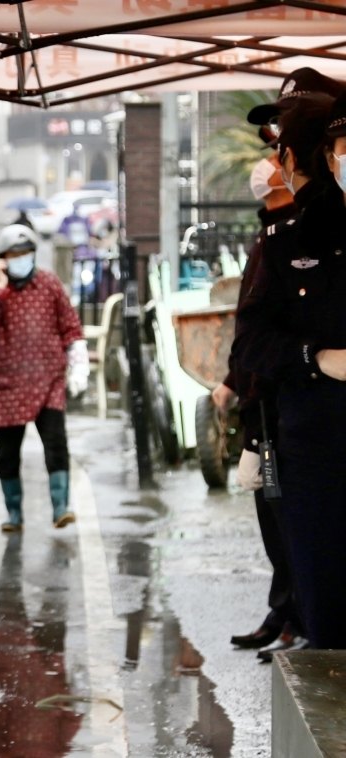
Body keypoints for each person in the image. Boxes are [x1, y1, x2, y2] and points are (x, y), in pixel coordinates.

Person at [233, 80, 346, 651]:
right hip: (315, 449)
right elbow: (248, 345)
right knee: (325, 612)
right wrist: (316, 359)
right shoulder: (285, 242)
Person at [216, 151, 304, 661]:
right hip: (261, 405)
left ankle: (298, 616)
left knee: (289, 516)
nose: (267, 162)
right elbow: (252, 330)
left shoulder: (296, 234)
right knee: (274, 515)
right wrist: (233, 382)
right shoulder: (270, 236)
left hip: (282, 401)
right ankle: (285, 611)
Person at [0, 224, 87, 532]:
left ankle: (61, 507)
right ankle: (14, 512)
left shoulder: (48, 284)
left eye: (26, 253)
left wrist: (77, 362)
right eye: (14, 255)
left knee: (56, 443)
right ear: (1, 259)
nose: (22, 259)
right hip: (5, 385)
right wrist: (0, 287)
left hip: (48, 381)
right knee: (7, 452)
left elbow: (70, 326)